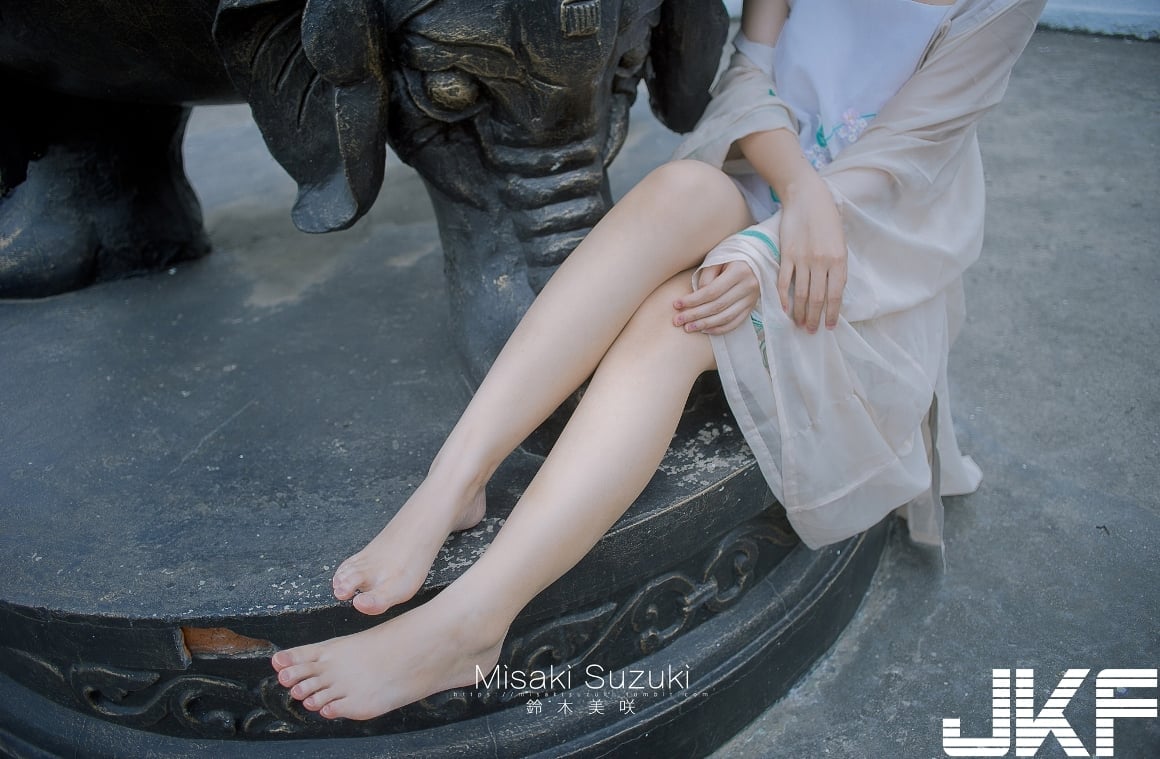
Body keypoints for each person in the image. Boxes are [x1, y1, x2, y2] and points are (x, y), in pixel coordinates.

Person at [271, 0, 1045, 720]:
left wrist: (771, 244)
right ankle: (452, 485)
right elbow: (751, 73)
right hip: (777, 175)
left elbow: (914, 152)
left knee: (671, 323)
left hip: (870, 241)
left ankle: (474, 621)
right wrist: (797, 192)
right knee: (678, 189)